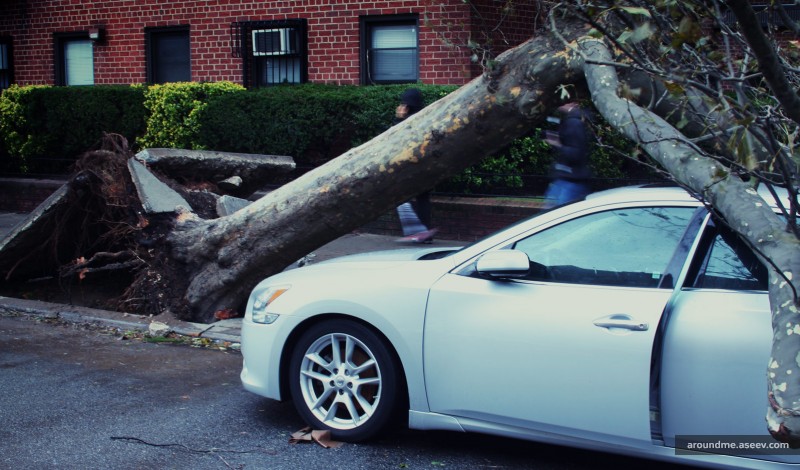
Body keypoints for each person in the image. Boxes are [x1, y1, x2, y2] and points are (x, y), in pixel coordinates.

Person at [393, 88, 438, 243]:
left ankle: (416, 230)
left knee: (399, 196)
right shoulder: (424, 116)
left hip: (410, 166)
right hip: (425, 166)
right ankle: (423, 231)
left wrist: (399, 119)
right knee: (423, 199)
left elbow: (395, 138)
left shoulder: (407, 120)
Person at [543, 102, 592, 208]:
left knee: (554, 216)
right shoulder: (571, 120)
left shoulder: (574, 123)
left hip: (570, 181)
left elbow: (577, 153)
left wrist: (557, 144)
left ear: (573, 103)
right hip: (566, 180)